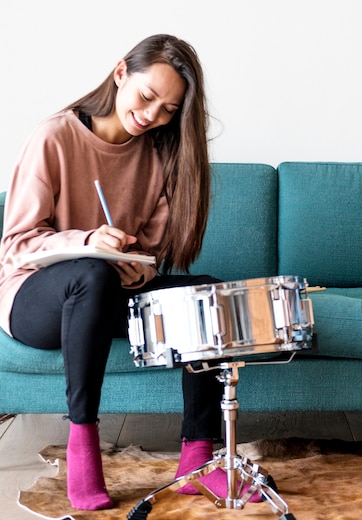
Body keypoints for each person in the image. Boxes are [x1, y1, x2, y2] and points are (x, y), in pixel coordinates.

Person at [0, 34, 257, 510]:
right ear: (121, 73)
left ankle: (196, 463)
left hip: (107, 291)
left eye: (168, 109)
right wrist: (87, 243)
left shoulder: (159, 155)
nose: (153, 115)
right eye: (146, 97)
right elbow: (16, 245)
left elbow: (151, 258)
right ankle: (82, 447)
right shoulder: (54, 136)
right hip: (32, 298)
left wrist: (130, 264)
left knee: (207, 294)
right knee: (89, 274)